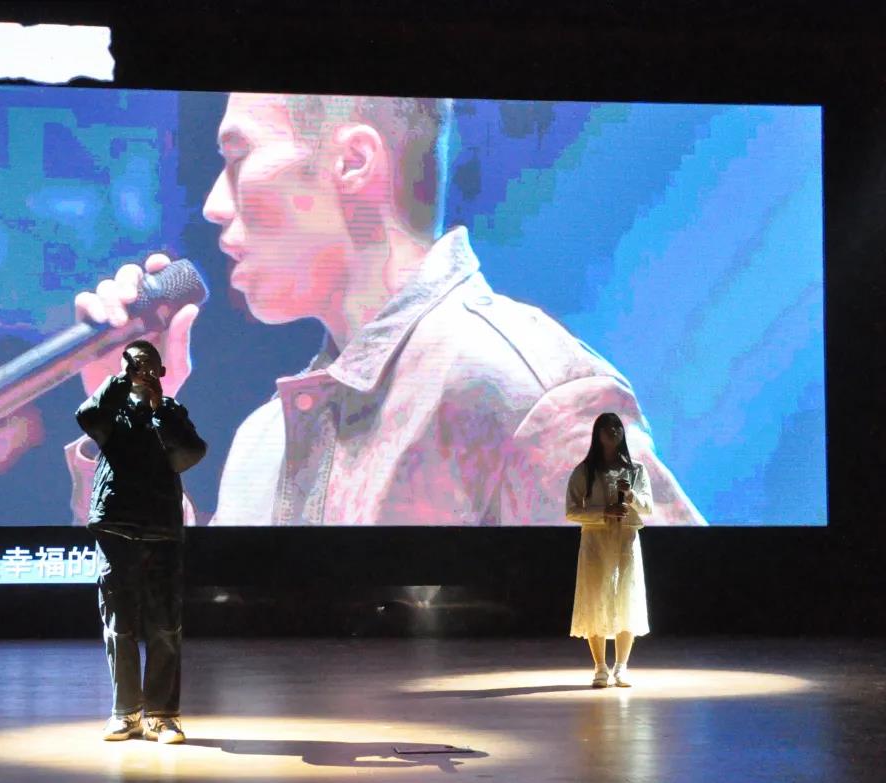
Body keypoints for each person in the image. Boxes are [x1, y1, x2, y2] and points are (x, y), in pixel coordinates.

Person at [65, 92, 704, 527]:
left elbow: (670, 624)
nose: (213, 203)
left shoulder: (519, 388)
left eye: (237, 157)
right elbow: (170, 629)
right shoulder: (265, 439)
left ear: (353, 161)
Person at [76, 339, 207, 743]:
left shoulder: (171, 413)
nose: (141, 370)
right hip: (116, 525)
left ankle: (163, 716)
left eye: (148, 364)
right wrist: (120, 381)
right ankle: (126, 712)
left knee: (165, 625)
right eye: (134, 364)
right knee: (120, 625)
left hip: (161, 528)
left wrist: (159, 408)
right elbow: (87, 417)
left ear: (161, 371)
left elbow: (188, 455)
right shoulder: (111, 411)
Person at [565, 412, 652, 688]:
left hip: (625, 540)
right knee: (595, 597)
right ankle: (600, 666)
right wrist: (604, 511)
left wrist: (631, 496)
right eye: (607, 427)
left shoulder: (637, 470)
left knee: (627, 598)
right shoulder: (585, 470)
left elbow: (648, 507)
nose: (613, 431)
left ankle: (622, 666)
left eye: (617, 426)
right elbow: (571, 510)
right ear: (597, 433)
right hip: (595, 540)